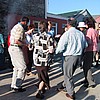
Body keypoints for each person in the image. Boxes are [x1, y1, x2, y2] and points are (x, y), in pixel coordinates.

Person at [56, 19, 88, 100]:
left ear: (68, 24)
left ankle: (70, 93)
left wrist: (56, 51)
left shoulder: (67, 34)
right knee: (70, 73)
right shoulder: (80, 34)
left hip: (70, 56)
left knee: (68, 75)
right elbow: (86, 45)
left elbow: (60, 47)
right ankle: (64, 85)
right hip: (78, 56)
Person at [33, 21, 54, 99]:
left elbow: (31, 47)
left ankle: (42, 88)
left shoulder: (34, 36)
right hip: (44, 59)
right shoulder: (49, 36)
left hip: (36, 60)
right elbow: (51, 50)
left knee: (40, 75)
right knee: (43, 76)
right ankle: (39, 91)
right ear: (46, 27)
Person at [8, 16, 29, 92]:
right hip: (16, 48)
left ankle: (13, 85)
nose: (27, 25)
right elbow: (17, 41)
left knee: (16, 68)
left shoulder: (15, 26)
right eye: (27, 23)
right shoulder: (20, 28)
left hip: (11, 47)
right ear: (25, 22)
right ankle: (18, 86)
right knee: (22, 68)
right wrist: (25, 45)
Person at [82, 19, 97, 88]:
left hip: (89, 50)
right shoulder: (95, 30)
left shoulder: (89, 31)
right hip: (94, 49)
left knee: (86, 67)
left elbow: (89, 42)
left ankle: (90, 82)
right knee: (87, 66)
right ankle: (86, 79)